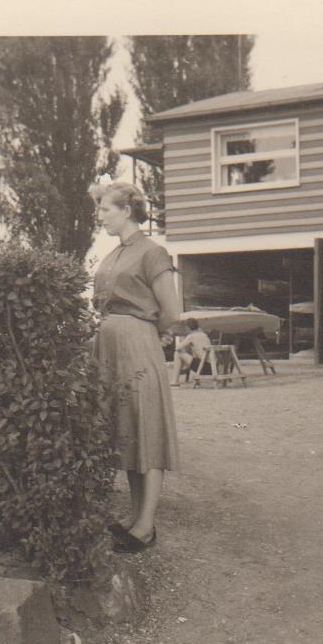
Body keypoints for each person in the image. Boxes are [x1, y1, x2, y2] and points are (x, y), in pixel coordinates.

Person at [88, 180, 181, 553]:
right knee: (124, 428)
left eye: (105, 209)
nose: (99, 216)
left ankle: (145, 526)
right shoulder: (113, 254)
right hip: (108, 349)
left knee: (146, 426)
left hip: (138, 346)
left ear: (127, 210)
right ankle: (135, 515)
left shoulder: (152, 252)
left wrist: (143, 335)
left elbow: (172, 311)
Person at [169, 318, 212, 385]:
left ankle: (174, 381)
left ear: (188, 328)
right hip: (211, 367)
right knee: (193, 355)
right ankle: (182, 378)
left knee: (178, 353)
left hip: (203, 367)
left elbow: (178, 348)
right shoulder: (204, 335)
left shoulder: (191, 336)